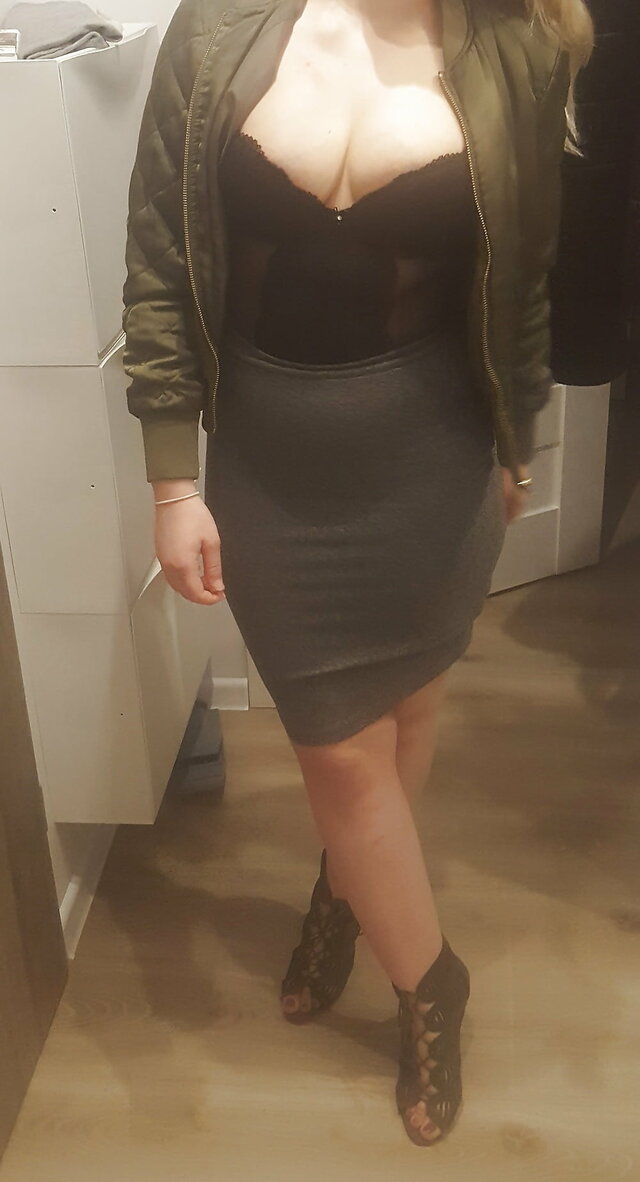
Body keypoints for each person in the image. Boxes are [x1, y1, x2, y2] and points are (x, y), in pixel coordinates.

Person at [121, 0, 594, 1147]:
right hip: (269, 459)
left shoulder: (517, 46)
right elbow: (159, 260)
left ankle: (342, 899)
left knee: (405, 709)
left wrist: (516, 443)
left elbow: (523, 277)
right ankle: (432, 979)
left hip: (432, 455)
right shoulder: (216, 29)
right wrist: (173, 483)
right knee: (338, 748)